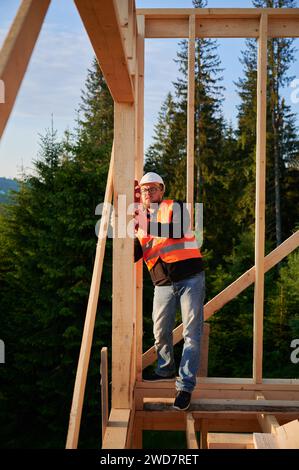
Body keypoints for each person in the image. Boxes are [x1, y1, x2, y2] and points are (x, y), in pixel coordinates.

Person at [134, 172, 205, 411]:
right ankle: (165, 369)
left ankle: (185, 387)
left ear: (162, 190)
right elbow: (134, 254)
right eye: (145, 190)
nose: (149, 193)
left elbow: (177, 230)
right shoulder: (139, 221)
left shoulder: (176, 207)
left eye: (153, 189)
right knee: (160, 330)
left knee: (191, 334)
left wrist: (144, 224)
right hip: (162, 283)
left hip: (190, 278)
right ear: (140, 194)